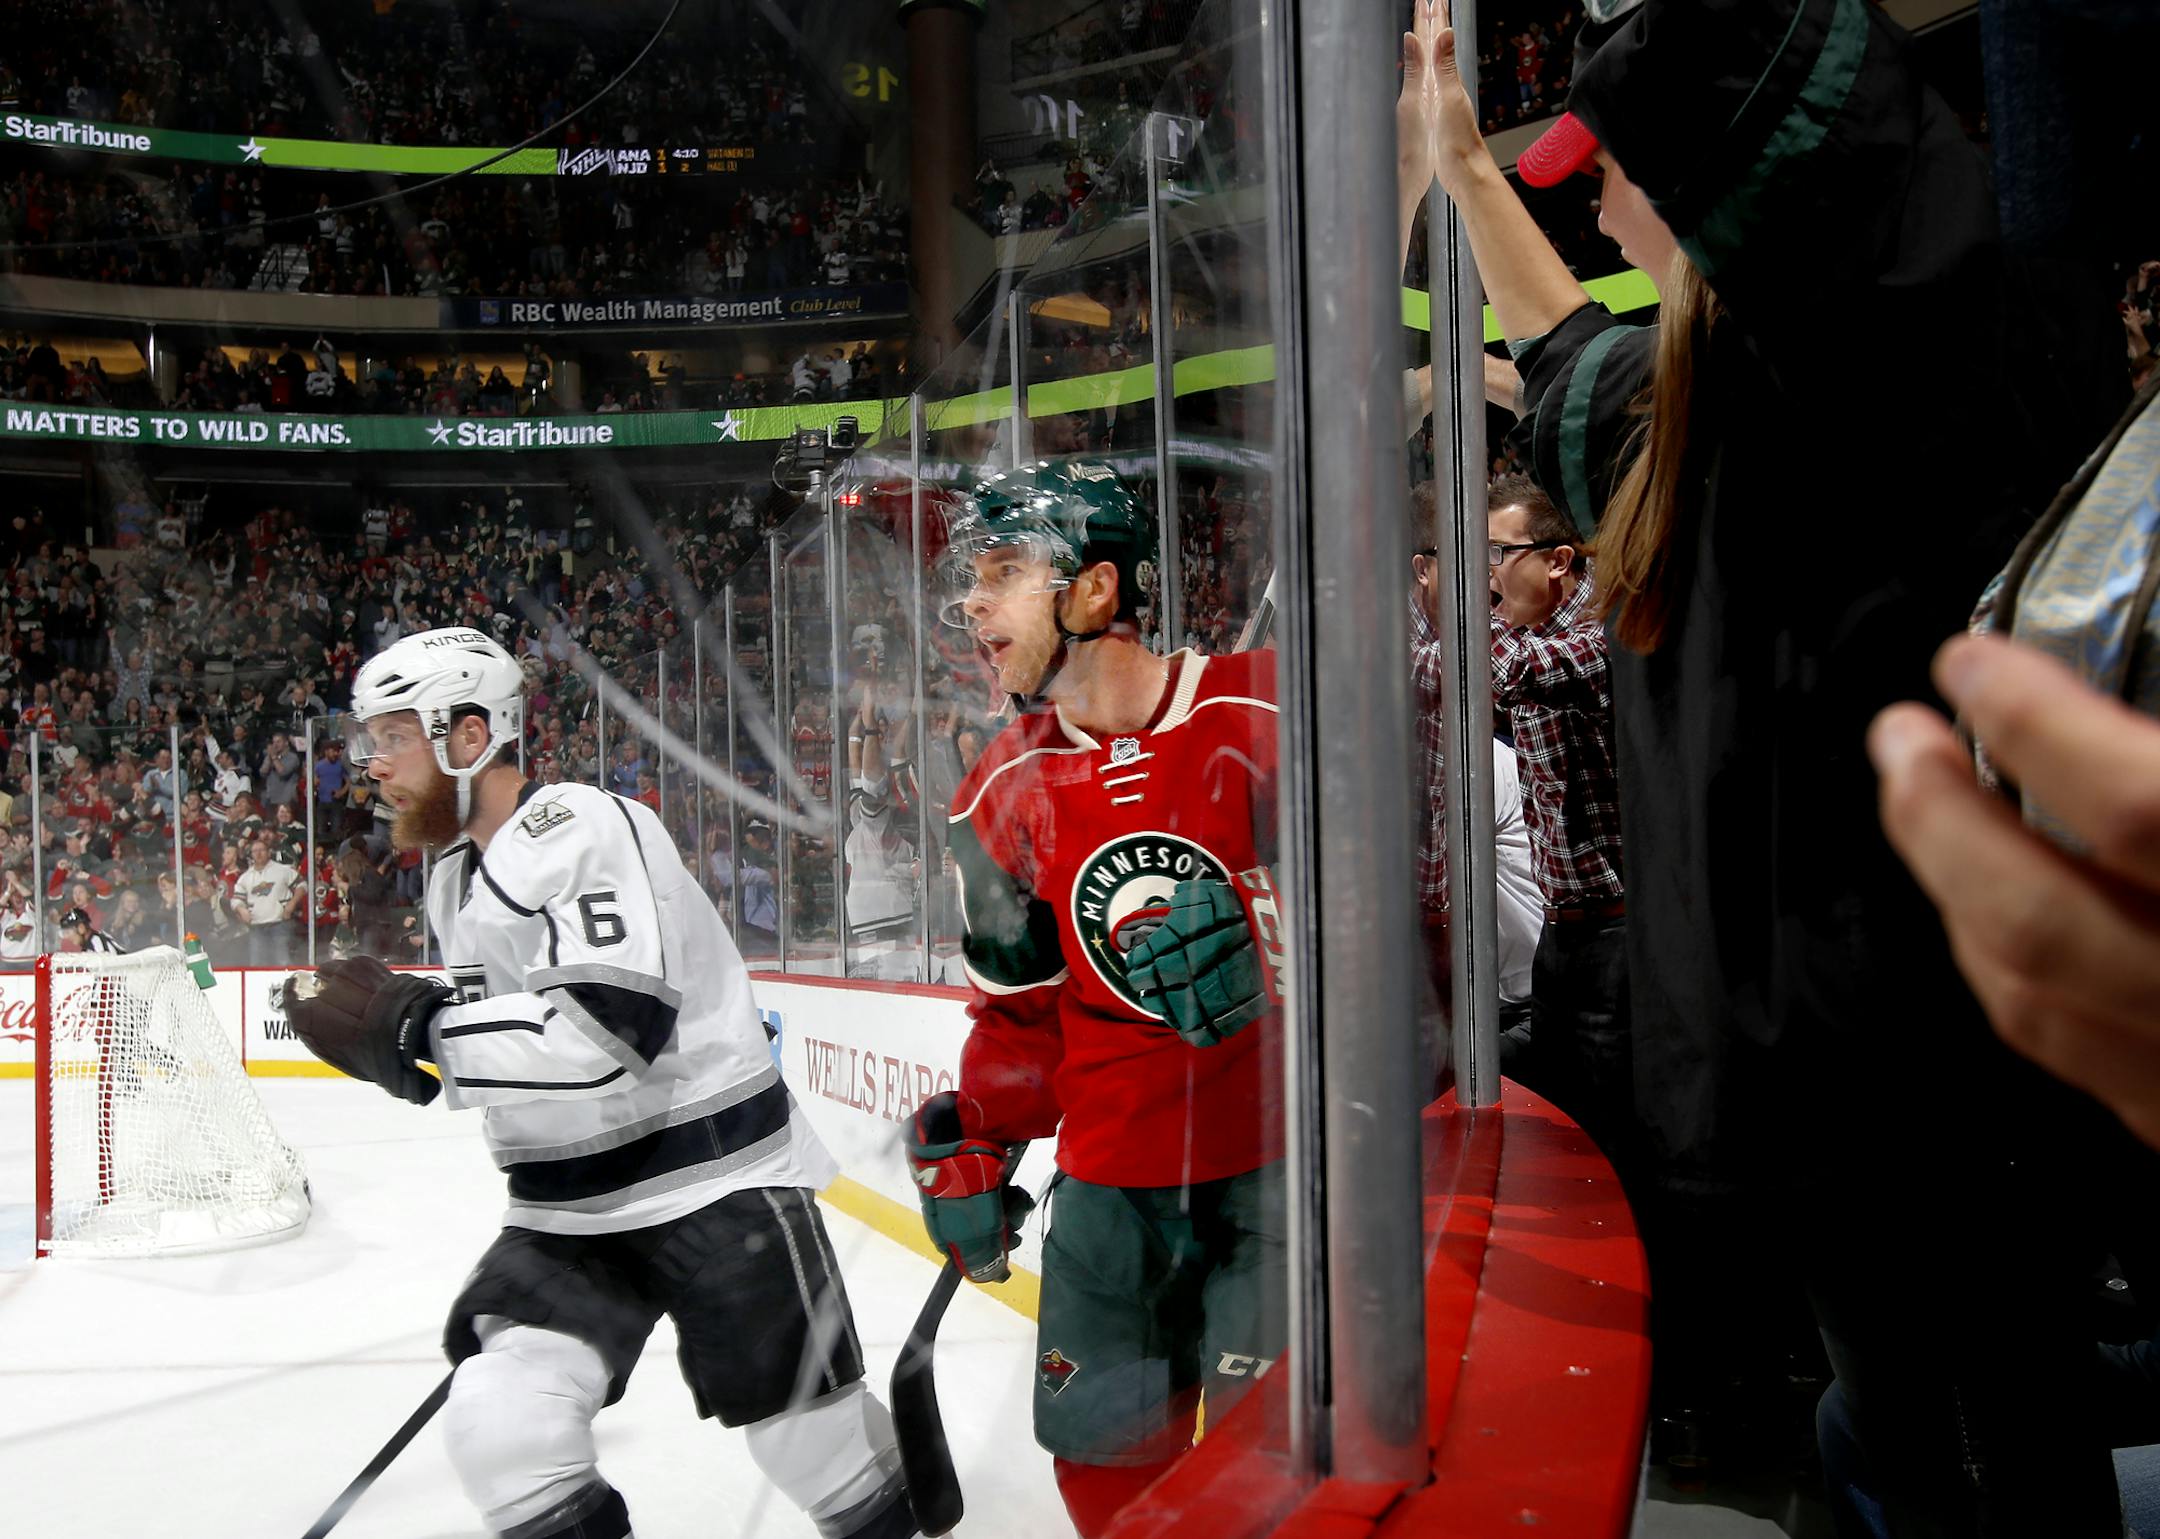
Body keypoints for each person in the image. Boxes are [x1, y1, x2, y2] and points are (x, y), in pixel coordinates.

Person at [1409, 0, 2160, 1526]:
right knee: (1900, 1426)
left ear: (1743, 198)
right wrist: (1464, 170)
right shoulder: (1709, 406)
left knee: (1978, 1452)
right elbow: (1569, 355)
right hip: (1847, 1124)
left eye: (1622, 168)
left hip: (1934, 1117)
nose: (1601, 199)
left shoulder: (1895, 394)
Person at [277, 628, 913, 1539]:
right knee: (503, 1428)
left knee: (815, 1450)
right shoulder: (454, 875)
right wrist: (409, 1049)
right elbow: (514, 1048)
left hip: (712, 1180)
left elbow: (609, 1034)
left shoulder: (580, 825)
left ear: (468, 736)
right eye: (368, 739)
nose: (370, 762)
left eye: (392, 736)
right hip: (569, 1210)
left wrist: (422, 1031)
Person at [906, 464, 1285, 1539]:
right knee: (1108, 1472)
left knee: (1275, 1479)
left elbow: (1400, 929)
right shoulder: (998, 789)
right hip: (1112, 1195)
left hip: (1277, 1173)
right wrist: (977, 1132)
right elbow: (1021, 1018)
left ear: (1096, 589)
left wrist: (1279, 935)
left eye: (1002, 573)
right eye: (971, 580)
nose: (971, 603)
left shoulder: (1267, 709)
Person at [230, 837, 301, 968]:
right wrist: (241, 909)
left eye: (261, 850)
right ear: (251, 855)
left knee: (283, 962)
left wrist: (292, 904)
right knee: (257, 965)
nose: (258, 853)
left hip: (280, 924)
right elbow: (236, 899)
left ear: (269, 852)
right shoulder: (245, 877)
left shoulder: (282, 870)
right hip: (257, 927)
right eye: (255, 851)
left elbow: (302, 885)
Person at [60, 904, 125, 954]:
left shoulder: (97, 943)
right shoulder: (92, 942)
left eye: (68, 932)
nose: (66, 937)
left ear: (81, 928)